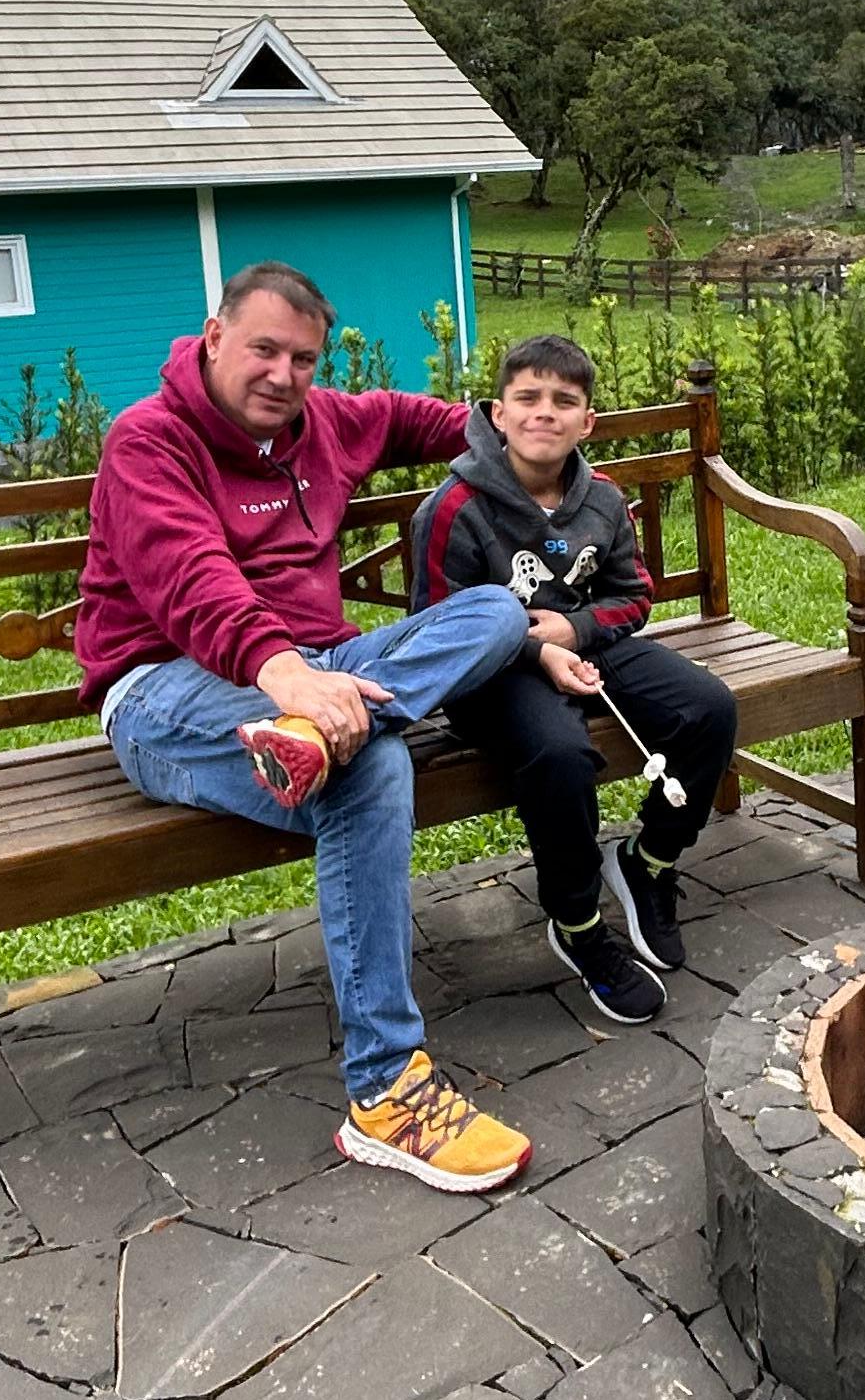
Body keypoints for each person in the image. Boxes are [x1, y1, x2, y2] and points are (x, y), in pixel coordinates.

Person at [75, 260, 535, 1193]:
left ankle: (320, 737)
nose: (283, 374)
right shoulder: (147, 443)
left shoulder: (321, 422)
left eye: (304, 359)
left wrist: (522, 433)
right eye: (263, 349)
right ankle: (387, 1090)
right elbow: (192, 578)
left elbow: (421, 420)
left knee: (494, 612)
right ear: (213, 336)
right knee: (374, 772)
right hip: (167, 687)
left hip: (319, 673)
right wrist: (286, 675)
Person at [408, 331, 740, 1021]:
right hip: (493, 677)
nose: (544, 413)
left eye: (564, 401)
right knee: (560, 754)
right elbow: (436, 634)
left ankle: (648, 862)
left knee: (708, 707)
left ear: (586, 421)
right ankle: (579, 923)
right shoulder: (450, 511)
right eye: (526, 398)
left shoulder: (604, 500)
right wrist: (535, 653)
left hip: (587, 644)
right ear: (497, 413)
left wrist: (576, 630)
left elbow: (634, 594)